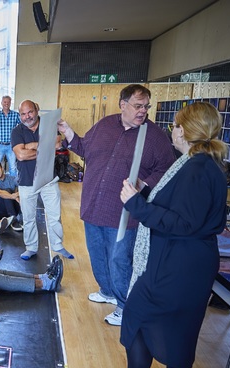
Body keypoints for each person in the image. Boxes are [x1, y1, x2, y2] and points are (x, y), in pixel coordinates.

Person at [97, 102, 227, 368]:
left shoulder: (196, 168)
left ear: (187, 131)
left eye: (177, 125)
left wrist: (136, 204)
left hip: (175, 264)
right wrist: (145, 192)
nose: (174, 130)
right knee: (183, 327)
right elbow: (183, 210)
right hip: (191, 262)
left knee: (136, 315)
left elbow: (182, 224)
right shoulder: (204, 164)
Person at [58, 84, 175, 326]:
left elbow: (167, 168)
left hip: (123, 213)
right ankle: (107, 291)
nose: (143, 111)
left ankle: (125, 305)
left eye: (146, 106)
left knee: (120, 259)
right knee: (97, 253)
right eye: (138, 106)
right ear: (123, 105)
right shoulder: (105, 125)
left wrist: (144, 183)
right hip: (94, 204)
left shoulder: (154, 136)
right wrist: (68, 132)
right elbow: (83, 148)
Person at [11, 100, 73, 260]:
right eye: (23, 114)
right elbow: (21, 155)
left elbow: (57, 143)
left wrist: (30, 146)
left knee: (54, 216)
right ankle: (31, 247)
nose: (27, 116)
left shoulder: (49, 125)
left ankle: (58, 245)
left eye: (30, 112)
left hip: (48, 179)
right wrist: (44, 147)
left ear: (37, 109)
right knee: (29, 218)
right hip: (26, 181)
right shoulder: (17, 131)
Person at [0, 160, 21, 231]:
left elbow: (24, 188)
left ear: (2, 168)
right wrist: (12, 196)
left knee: (21, 194)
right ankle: (14, 220)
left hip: (13, 208)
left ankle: (20, 217)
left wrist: (17, 194)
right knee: (6, 191)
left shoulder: (12, 178)